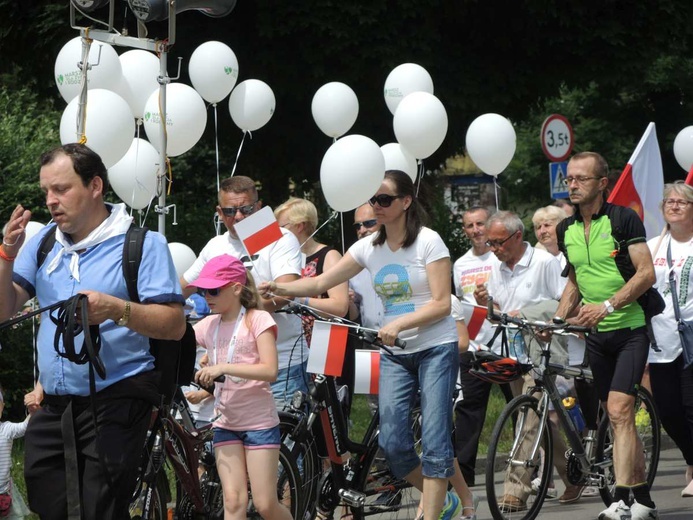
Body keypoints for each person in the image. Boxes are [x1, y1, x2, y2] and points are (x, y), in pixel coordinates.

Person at [259, 170, 476, 520]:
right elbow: (322, 283)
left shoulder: (429, 242)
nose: (377, 206)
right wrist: (281, 289)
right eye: (374, 200)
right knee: (393, 447)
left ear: (406, 202)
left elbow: (440, 303)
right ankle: (446, 498)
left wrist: (399, 323)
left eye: (385, 199)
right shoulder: (366, 248)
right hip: (393, 354)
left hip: (435, 348)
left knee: (435, 439)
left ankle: (435, 511)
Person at [0, 143, 186, 519]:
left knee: (98, 508)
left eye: (62, 189)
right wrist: (6, 254)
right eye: (46, 192)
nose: (51, 201)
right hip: (54, 405)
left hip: (116, 398)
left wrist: (117, 309)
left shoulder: (142, 244)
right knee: (48, 505)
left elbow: (174, 325)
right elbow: (4, 310)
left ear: (96, 186)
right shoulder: (43, 243)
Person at [554, 151, 658, 520]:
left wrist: (608, 306)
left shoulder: (623, 219)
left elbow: (646, 274)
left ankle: (623, 499)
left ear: (602, 184)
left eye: (581, 178)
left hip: (629, 328)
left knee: (618, 409)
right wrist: (557, 317)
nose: (573, 184)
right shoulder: (564, 228)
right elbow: (574, 280)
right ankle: (643, 499)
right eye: (569, 179)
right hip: (596, 337)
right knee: (617, 417)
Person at [474, 210, 584, 509]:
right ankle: (574, 475)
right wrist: (484, 301)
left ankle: (516, 489)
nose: (494, 249)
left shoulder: (544, 263)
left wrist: (529, 314)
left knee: (528, 419)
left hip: (542, 351)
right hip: (511, 353)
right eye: (490, 243)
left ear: (517, 236)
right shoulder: (497, 267)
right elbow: (499, 311)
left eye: (498, 243)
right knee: (541, 421)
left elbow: (569, 305)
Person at [181, 175, 306, 409]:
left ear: (259, 207)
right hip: (232, 365)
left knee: (279, 443)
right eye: (230, 211)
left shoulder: (280, 238)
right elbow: (181, 288)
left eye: (246, 209)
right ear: (219, 212)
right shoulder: (216, 246)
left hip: (281, 362)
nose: (238, 217)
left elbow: (285, 293)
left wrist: (235, 308)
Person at [190, 254, 292, 520]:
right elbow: (179, 335)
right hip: (225, 423)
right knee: (233, 503)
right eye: (202, 290)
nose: (206, 296)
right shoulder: (209, 324)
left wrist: (223, 367)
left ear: (236, 288)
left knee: (265, 504)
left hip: (259, 424)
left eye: (213, 290)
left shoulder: (258, 319)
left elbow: (270, 370)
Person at [452, 206, 514, 487]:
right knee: (467, 412)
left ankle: (531, 472)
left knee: (519, 407)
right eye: (469, 225)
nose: (476, 230)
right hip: (474, 347)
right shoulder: (460, 264)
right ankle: (463, 481)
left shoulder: (500, 256)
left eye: (480, 224)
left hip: (507, 344)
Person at [646, 181, 693, 498]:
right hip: (660, 339)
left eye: (682, 201)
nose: (674, 205)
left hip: (692, 335)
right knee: (668, 411)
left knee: (691, 406)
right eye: (669, 201)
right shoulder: (652, 247)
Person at [348, 203, 384, 330]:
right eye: (358, 226)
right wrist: (349, 302)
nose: (362, 230)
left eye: (369, 223)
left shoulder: (402, 254)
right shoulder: (353, 265)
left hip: (408, 341)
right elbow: (354, 317)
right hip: (371, 344)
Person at [0, 386, 32, 519]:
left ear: (2, 406)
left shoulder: (6, 429)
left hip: (3, 490)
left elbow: (24, 427)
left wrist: (33, 411)